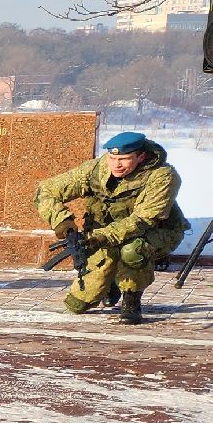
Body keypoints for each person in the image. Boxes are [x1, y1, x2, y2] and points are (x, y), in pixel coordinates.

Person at [35, 130, 188, 325]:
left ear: (141, 157)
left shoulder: (162, 176)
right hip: (104, 234)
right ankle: (112, 283)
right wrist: (62, 221)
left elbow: (143, 219)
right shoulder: (95, 170)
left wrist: (100, 237)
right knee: (77, 304)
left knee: (132, 251)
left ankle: (131, 300)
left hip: (157, 231)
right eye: (112, 157)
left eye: (124, 159)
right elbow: (46, 190)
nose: (116, 164)